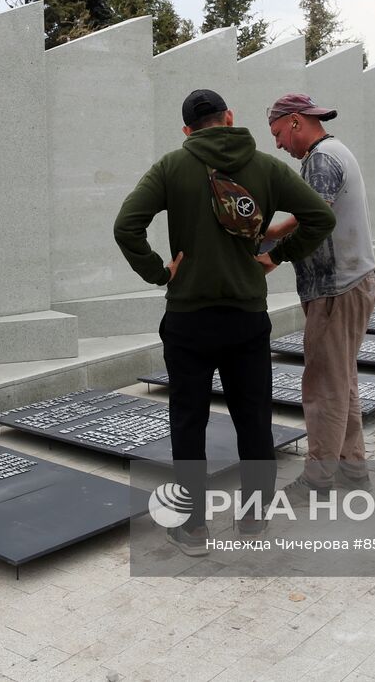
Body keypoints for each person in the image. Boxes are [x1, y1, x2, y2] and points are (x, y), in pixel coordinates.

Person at [114, 89, 335, 555]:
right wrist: (277, 257)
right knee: (253, 418)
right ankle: (254, 517)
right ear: (229, 117)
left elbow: (126, 225)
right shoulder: (266, 166)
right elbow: (318, 216)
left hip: (188, 319)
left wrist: (158, 271)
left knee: (188, 421)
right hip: (246, 319)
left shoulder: (172, 166)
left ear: (187, 130)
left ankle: (193, 527)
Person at [261, 93, 375, 500]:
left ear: (295, 122)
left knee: (323, 385)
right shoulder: (334, 150)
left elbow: (316, 218)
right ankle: (352, 468)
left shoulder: (322, 159)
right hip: (351, 280)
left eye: (277, 133)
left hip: (337, 287)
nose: (277, 144)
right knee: (341, 380)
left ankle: (318, 478)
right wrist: (276, 232)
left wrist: (273, 250)